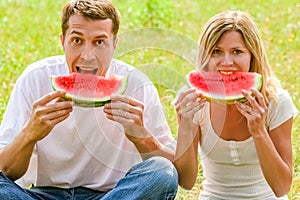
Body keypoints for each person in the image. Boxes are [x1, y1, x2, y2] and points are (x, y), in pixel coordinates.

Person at [0, 0, 178, 199]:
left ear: (115, 44)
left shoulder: (137, 85)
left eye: (99, 42)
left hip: (113, 194)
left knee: (162, 173)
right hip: (46, 195)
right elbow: (6, 171)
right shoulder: (35, 78)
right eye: (77, 40)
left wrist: (141, 135)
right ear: (62, 41)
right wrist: (29, 134)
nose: (87, 56)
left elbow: (170, 169)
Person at [173, 10, 298, 199]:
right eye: (216, 51)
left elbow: (282, 187)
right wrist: (185, 127)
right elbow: (187, 182)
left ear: (252, 56)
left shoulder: (276, 102)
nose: (226, 62)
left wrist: (259, 131)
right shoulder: (192, 99)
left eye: (237, 52)